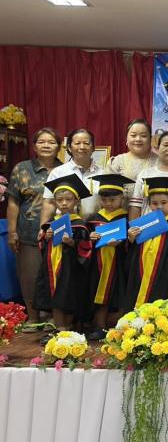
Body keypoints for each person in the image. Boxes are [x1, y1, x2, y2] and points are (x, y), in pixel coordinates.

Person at [5, 127, 62, 328]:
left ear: (59, 147)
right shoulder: (22, 169)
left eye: (51, 142)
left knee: (55, 276)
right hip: (28, 232)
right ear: (34, 146)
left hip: (58, 233)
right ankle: (33, 318)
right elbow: (13, 202)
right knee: (29, 276)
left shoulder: (65, 170)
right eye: (41, 142)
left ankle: (54, 317)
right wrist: (12, 231)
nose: (46, 145)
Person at [34, 174, 92, 340]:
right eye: (60, 200)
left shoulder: (80, 224)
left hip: (70, 269)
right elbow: (42, 245)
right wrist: (46, 237)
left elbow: (86, 249)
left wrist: (72, 242)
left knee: (68, 296)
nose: (64, 203)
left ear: (77, 201)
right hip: (52, 268)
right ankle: (60, 329)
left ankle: (68, 327)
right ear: (54, 202)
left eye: (68, 199)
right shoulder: (50, 223)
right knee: (55, 297)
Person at [123, 176, 168, 309]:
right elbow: (134, 250)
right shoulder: (143, 223)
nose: (159, 207)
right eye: (154, 203)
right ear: (149, 204)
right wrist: (131, 239)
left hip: (166, 273)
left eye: (164, 203)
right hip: (142, 271)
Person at [86, 173, 133, 340]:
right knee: (100, 297)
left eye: (113, 200)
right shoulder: (94, 219)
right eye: (104, 200)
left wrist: (123, 243)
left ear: (122, 199)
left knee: (120, 297)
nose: (108, 203)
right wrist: (90, 238)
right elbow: (83, 243)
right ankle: (100, 327)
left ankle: (121, 331)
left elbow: (133, 243)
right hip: (98, 266)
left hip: (119, 265)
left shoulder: (126, 218)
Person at [41, 128, 103, 224]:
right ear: (69, 147)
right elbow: (49, 204)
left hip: (95, 227)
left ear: (93, 148)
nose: (82, 147)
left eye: (86, 143)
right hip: (64, 226)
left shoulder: (103, 173)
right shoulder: (58, 172)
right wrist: (43, 229)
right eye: (77, 143)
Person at [107, 119, 158, 203]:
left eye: (143, 136)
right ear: (126, 138)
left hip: (153, 209)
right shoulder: (117, 161)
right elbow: (108, 193)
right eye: (133, 135)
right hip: (122, 209)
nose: (138, 139)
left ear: (150, 139)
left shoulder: (160, 162)